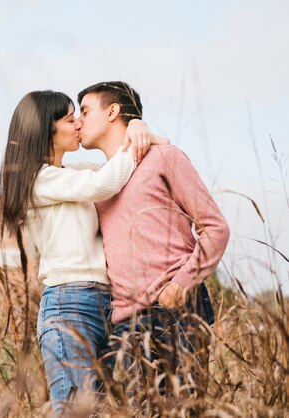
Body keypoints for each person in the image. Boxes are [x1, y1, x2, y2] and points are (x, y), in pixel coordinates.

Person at [0, 90, 164, 415]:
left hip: (107, 302)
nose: (78, 124)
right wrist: (137, 136)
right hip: (68, 303)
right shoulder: (38, 180)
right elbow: (103, 183)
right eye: (69, 118)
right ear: (45, 129)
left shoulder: (74, 173)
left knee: (97, 409)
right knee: (76, 410)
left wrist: (136, 128)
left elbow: (122, 162)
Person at [76, 81, 230, 391]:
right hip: (125, 322)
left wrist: (180, 284)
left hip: (177, 309)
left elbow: (215, 228)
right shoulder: (97, 183)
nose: (78, 121)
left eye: (85, 111)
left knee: (186, 409)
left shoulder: (164, 158)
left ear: (112, 111)